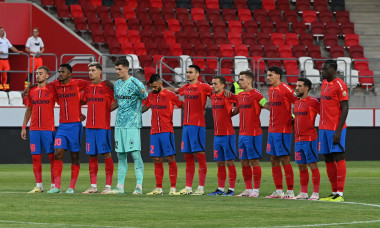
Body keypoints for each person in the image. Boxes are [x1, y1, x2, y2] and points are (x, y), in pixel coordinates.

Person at [46, 63, 89, 194]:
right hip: (63, 126)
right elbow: (42, 85)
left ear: (70, 74)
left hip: (75, 126)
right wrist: (30, 87)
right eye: (59, 71)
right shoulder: (55, 85)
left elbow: (90, 85)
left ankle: (72, 187)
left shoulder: (78, 83)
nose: (60, 74)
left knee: (74, 156)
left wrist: (83, 100)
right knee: (57, 153)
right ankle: (57, 187)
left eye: (63, 72)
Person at [171, 65, 213, 195]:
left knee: (200, 156)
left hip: (198, 125)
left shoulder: (204, 87)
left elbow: (217, 93)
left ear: (197, 74)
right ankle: (188, 187)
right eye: (187, 72)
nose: (188, 74)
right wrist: (159, 89)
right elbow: (175, 91)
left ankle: (200, 188)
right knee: (188, 157)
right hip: (187, 126)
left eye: (190, 72)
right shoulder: (186, 88)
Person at [110, 58, 148, 194]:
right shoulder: (117, 85)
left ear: (127, 68)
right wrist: (104, 110)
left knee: (135, 154)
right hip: (119, 124)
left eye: (119, 69)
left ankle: (139, 186)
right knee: (120, 155)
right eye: (116, 69)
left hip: (132, 124)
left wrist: (138, 112)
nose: (117, 72)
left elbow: (146, 98)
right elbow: (117, 103)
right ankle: (120, 186)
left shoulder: (136, 83)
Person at [142, 74, 184, 195]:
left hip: (166, 131)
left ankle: (173, 188)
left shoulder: (170, 95)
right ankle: (158, 188)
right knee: (156, 159)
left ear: (160, 83)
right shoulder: (151, 96)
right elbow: (145, 108)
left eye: (155, 86)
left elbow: (182, 105)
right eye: (152, 87)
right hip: (154, 132)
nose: (153, 89)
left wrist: (193, 113)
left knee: (170, 158)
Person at [232, 71, 269, 197]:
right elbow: (236, 110)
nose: (239, 82)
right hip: (242, 133)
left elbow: (267, 104)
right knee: (244, 161)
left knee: (254, 161)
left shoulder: (256, 94)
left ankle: (256, 190)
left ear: (249, 81)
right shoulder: (240, 95)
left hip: (253, 134)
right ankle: (247, 189)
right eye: (239, 80)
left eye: (241, 79)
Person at [81, 62, 116, 194]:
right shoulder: (88, 87)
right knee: (92, 155)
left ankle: (108, 186)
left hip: (103, 127)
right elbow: (82, 101)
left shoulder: (107, 87)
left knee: (106, 154)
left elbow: (117, 101)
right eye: (89, 70)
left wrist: (107, 111)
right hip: (90, 127)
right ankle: (93, 186)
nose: (90, 72)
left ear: (100, 72)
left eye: (93, 70)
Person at [21, 66, 56, 193]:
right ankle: (39, 186)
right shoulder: (32, 91)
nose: (38, 75)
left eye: (41, 73)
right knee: (36, 158)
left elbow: (63, 103)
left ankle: (54, 185)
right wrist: (24, 126)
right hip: (34, 129)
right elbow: (29, 109)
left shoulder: (52, 90)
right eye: (36, 73)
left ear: (47, 75)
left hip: (48, 129)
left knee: (52, 158)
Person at [318, 60, 349, 202]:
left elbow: (345, 108)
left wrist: (338, 131)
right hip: (323, 128)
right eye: (322, 68)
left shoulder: (340, 84)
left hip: (335, 128)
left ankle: (340, 193)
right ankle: (334, 191)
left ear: (333, 70)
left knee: (338, 156)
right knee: (328, 158)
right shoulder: (324, 83)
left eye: (325, 69)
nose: (322, 71)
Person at [265, 66, 297, 199]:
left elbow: (299, 102)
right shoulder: (271, 89)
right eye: (267, 75)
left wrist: (294, 117)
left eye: (270, 75)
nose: (268, 78)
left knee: (285, 159)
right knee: (273, 159)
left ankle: (290, 191)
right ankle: (279, 190)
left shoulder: (287, 89)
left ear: (278, 76)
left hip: (283, 130)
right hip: (272, 129)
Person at [208, 76, 238, 196]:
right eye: (212, 83)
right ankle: (220, 189)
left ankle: (231, 189)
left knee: (229, 162)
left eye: (215, 84)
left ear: (222, 85)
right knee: (219, 163)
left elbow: (241, 101)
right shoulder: (213, 96)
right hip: (217, 135)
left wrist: (232, 113)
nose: (213, 86)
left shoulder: (228, 95)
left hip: (227, 134)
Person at [293, 78, 321, 200]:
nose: (297, 88)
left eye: (299, 86)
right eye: (296, 86)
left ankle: (315, 193)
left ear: (306, 88)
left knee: (312, 165)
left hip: (309, 138)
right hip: (298, 140)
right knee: (301, 166)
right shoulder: (296, 103)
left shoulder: (313, 102)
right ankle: (303, 192)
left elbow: (325, 115)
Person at [0, 27, 23, 91]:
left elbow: (11, 47)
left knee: (6, 75)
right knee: (0, 75)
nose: (3, 32)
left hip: (6, 60)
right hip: (0, 60)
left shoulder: (6, 40)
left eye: (3, 30)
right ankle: (0, 89)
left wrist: (18, 51)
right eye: (1, 31)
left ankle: (6, 89)